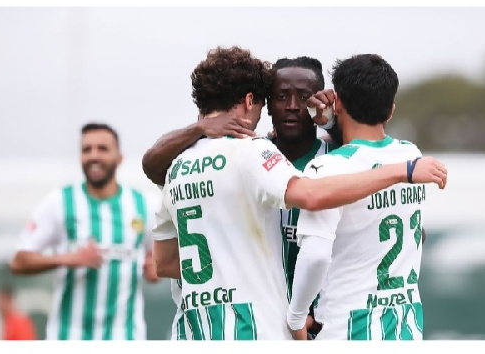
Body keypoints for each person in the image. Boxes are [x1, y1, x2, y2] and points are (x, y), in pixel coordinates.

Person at [151, 45, 447, 340]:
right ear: (261, 103)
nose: (292, 105)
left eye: (304, 97)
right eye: (280, 97)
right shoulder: (257, 154)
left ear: (326, 102)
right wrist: (403, 170)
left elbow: (163, 259)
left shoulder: (179, 166)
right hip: (278, 325)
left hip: (309, 322)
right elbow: (313, 196)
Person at [287, 54, 433, 340]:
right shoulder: (411, 156)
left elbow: (315, 256)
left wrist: (296, 318)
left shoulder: (327, 167)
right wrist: (332, 124)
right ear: (390, 111)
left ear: (337, 102)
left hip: (349, 328)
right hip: (406, 326)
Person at [10, 123, 160, 340]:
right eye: (86, 149)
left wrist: (156, 271)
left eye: (102, 148)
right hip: (69, 336)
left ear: (119, 158)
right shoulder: (60, 201)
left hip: (125, 337)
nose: (93, 156)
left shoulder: (144, 204)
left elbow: (156, 263)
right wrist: (69, 258)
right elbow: (19, 261)